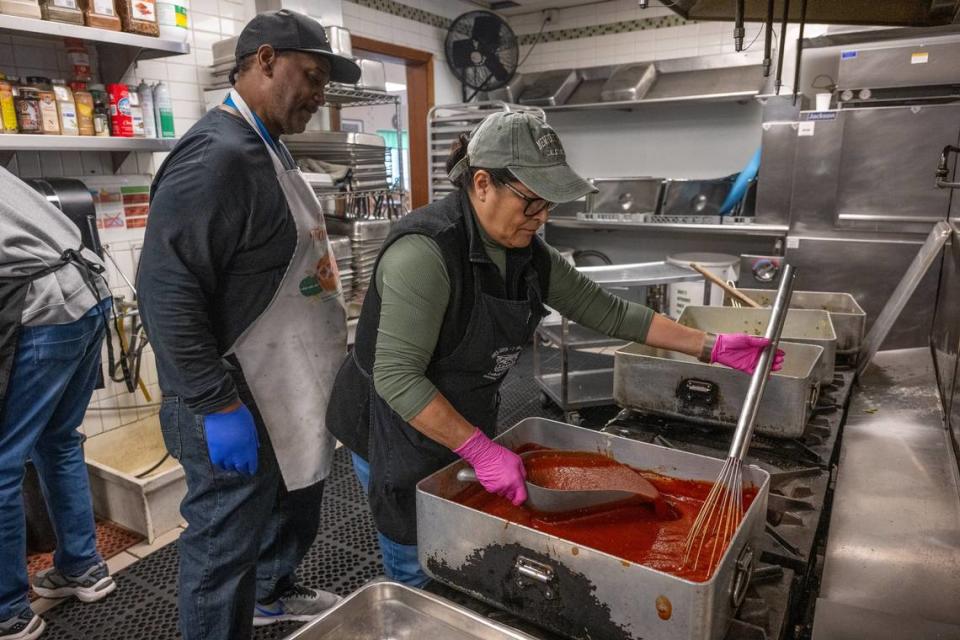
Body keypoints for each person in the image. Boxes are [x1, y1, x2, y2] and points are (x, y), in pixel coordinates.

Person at [326, 112, 786, 587]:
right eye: (531, 202)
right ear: (482, 183)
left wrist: (710, 346)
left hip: (461, 408)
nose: (542, 216)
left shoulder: (525, 250)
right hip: (394, 423)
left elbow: (604, 310)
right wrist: (481, 450)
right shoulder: (424, 254)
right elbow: (398, 378)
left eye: (548, 203)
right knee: (416, 553)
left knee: (460, 542)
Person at [135, 10, 360, 640]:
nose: (319, 95)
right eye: (311, 76)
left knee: (291, 505)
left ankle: (269, 593)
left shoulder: (268, 146)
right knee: (222, 548)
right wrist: (214, 403)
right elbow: (166, 289)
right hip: (236, 391)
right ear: (264, 61)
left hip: (284, 381)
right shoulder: (218, 156)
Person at [0, 167, 115, 640]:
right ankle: (82, 567)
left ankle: (9, 611)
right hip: (87, 292)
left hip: (43, 306)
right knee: (58, 440)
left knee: (3, 466)